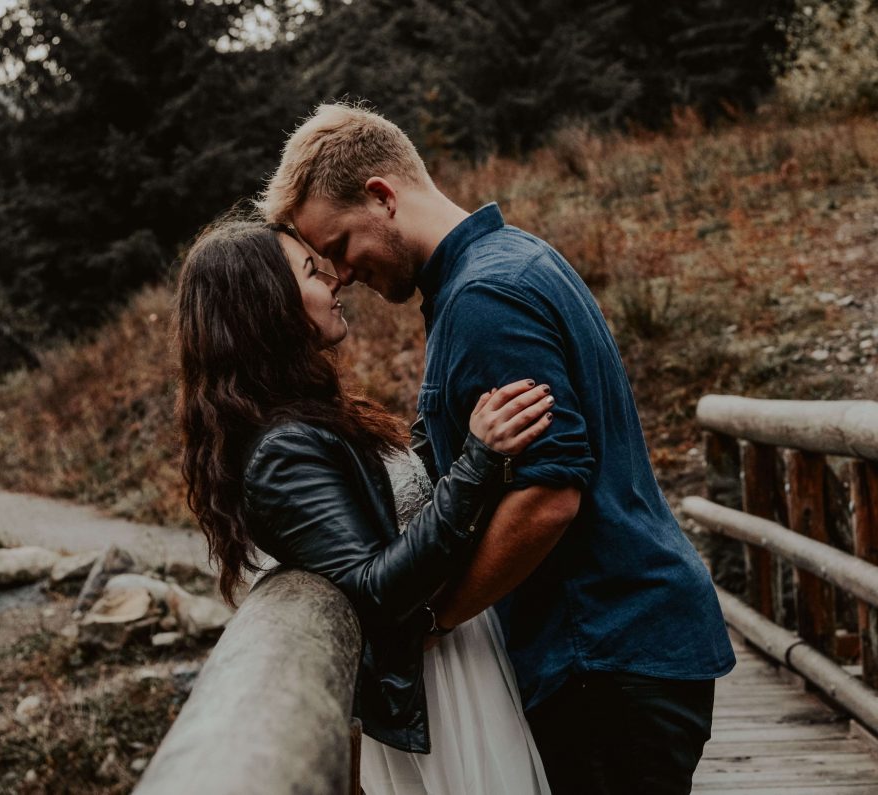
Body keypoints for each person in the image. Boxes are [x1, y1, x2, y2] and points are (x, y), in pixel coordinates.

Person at [258, 102, 738, 795]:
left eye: (337, 245)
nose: (342, 273)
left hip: (602, 653)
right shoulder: (507, 261)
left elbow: (548, 496)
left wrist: (434, 617)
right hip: (618, 647)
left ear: (382, 197)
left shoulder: (485, 298)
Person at [174, 217, 553, 794]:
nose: (335, 282)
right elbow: (375, 588)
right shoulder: (281, 451)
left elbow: (390, 498)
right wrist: (478, 463)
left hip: (457, 659)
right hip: (435, 688)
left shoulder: (310, 418)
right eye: (311, 271)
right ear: (266, 306)